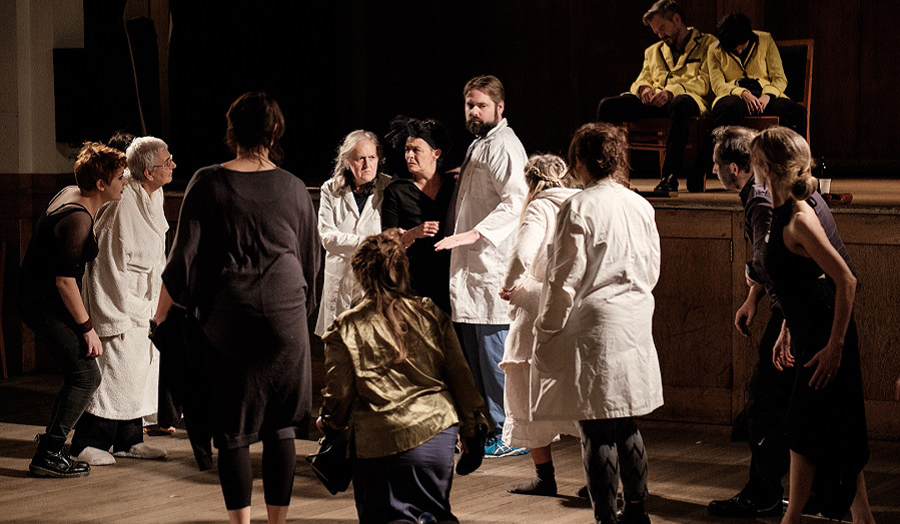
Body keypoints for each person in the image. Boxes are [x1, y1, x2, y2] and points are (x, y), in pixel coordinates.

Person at [155, 91, 320, 524]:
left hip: (229, 320)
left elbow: (180, 261)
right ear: (275, 132)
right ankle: (277, 523)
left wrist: (161, 319)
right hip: (286, 317)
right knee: (282, 426)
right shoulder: (294, 187)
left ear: (232, 130)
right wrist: (300, 322)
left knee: (233, 430)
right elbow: (311, 264)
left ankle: (241, 523)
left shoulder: (208, 181)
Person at [532, 123, 663, 524]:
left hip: (594, 324)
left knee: (596, 425)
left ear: (579, 161)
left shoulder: (579, 206)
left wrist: (546, 327)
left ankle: (605, 518)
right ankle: (637, 512)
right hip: (635, 318)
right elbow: (652, 267)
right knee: (626, 419)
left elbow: (563, 278)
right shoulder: (641, 205)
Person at [319, 229, 487, 524]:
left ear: (359, 274)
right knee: (437, 514)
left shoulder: (346, 327)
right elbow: (460, 375)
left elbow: (340, 394)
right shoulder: (430, 313)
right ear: (401, 270)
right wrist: (471, 429)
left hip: (379, 439)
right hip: (437, 434)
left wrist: (330, 423)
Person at [751, 127, 874, 524]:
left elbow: (846, 280)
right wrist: (787, 324)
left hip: (825, 336)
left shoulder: (801, 218)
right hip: (807, 331)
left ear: (765, 168)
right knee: (826, 430)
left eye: (754, 163)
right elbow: (798, 277)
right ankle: (862, 518)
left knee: (806, 429)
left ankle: (794, 519)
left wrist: (835, 345)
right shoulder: (782, 210)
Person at [17, 142, 127, 478]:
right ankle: (48, 453)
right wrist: (87, 328)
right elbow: (65, 281)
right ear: (100, 185)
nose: (125, 182)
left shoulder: (70, 192)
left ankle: (50, 446)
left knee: (81, 374)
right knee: (86, 375)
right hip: (43, 303)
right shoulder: (78, 219)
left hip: (42, 299)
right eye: (120, 178)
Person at [435, 74, 529, 458]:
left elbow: (515, 200)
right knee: (474, 355)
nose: (473, 112)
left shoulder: (505, 145)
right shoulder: (480, 145)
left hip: (489, 264)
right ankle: (486, 428)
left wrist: (475, 234)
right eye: (469, 105)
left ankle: (508, 434)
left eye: (481, 106)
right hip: (471, 269)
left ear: (500, 108)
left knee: (494, 358)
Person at [69, 136, 174, 466]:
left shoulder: (150, 199)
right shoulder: (120, 206)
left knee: (138, 373)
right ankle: (87, 441)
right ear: (147, 171)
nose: (173, 165)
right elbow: (105, 267)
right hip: (119, 304)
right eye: (167, 161)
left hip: (144, 303)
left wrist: (157, 307)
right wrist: (114, 318)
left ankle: (129, 439)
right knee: (115, 373)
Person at [498, 154, 580, 496]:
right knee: (578, 395)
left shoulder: (539, 207)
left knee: (526, 391)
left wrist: (509, 284)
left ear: (532, 182)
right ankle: (599, 476)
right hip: (576, 306)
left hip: (539, 307)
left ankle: (545, 477)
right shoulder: (581, 203)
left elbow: (522, 253)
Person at [596, 0, 716, 193]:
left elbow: (706, 82)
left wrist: (671, 92)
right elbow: (643, 78)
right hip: (655, 100)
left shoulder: (708, 44)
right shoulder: (653, 51)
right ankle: (601, 170)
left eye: (662, 28)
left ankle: (670, 176)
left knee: (681, 104)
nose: (660, 35)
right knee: (608, 105)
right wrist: (644, 89)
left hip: (685, 100)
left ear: (677, 19)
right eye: (656, 32)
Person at [315, 130, 392, 338]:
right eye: (360, 159)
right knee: (337, 352)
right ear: (348, 161)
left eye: (372, 158)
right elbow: (327, 237)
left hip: (373, 282)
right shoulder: (330, 189)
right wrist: (369, 241)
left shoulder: (390, 188)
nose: (367, 166)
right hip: (341, 282)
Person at [382, 116, 454, 314]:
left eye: (416, 150)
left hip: (451, 282)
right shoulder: (396, 191)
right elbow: (387, 242)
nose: (409, 156)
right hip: (413, 283)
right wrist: (414, 233)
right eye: (407, 150)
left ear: (435, 153)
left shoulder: (453, 186)